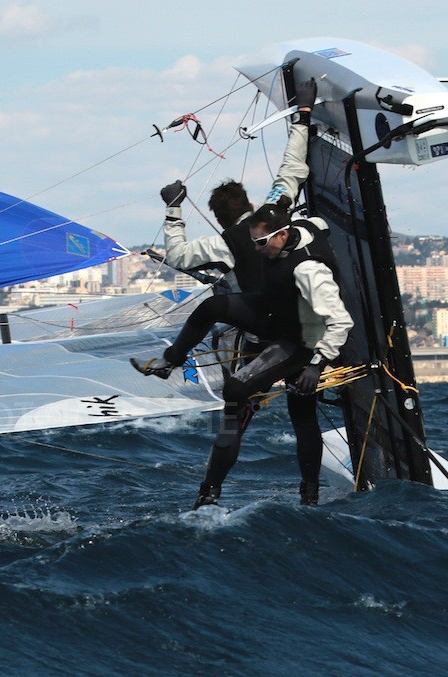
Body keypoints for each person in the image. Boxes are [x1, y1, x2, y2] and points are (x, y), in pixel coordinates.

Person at [136, 198, 353, 508]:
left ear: (282, 234)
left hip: (300, 342)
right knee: (212, 307)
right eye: (254, 241)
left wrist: (316, 366)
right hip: (272, 312)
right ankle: (171, 360)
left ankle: (308, 494)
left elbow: (342, 321)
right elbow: (315, 218)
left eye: (262, 242)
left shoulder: (310, 271)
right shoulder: (302, 227)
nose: (257, 248)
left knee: (275, 405)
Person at [146, 75, 318, 295]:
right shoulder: (276, 210)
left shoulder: (223, 245)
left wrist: (173, 208)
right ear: (252, 206)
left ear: (219, 220)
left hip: (263, 324)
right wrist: (303, 114)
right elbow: (291, 168)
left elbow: (177, 256)